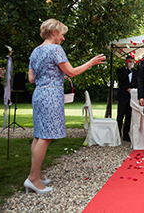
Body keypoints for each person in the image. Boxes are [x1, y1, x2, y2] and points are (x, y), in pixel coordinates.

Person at [26, 19, 106, 194]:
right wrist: (90, 63)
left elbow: (31, 79)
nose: (63, 38)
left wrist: (53, 75)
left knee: (38, 135)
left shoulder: (35, 51)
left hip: (39, 94)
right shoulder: (56, 50)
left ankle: (37, 175)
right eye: (62, 34)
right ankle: (32, 179)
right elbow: (72, 72)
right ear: (54, 32)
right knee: (46, 137)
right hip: (51, 95)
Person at [116, 55, 137, 141]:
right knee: (120, 116)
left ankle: (126, 134)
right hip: (122, 96)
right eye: (130, 62)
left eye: (133, 62)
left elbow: (137, 83)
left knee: (129, 116)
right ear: (126, 62)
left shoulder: (136, 72)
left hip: (131, 96)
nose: (131, 63)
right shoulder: (120, 70)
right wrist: (128, 70)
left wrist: (132, 89)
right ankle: (117, 133)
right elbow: (121, 79)